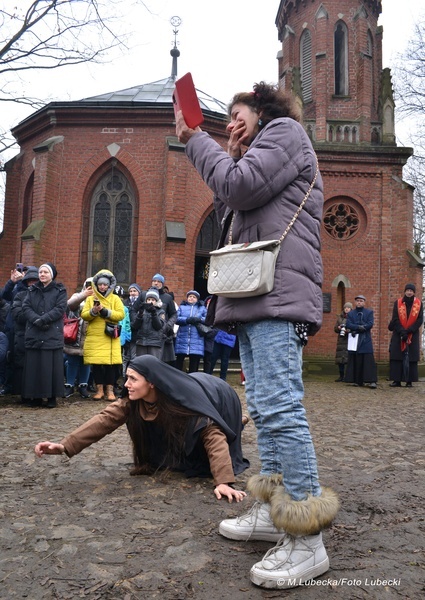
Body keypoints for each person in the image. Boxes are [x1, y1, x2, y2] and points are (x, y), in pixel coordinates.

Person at [176, 81, 339, 589]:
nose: (231, 122)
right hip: (257, 299)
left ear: (263, 109)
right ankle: (272, 512)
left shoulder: (286, 132)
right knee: (266, 411)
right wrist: (223, 150)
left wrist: (195, 139)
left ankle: (307, 536)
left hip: (277, 298)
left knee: (281, 408)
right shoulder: (260, 152)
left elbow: (240, 189)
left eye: (237, 111)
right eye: (225, 118)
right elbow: (240, 201)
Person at [34, 355, 249, 503]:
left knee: (219, 429)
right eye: (127, 377)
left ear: (152, 382)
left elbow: (212, 436)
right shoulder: (132, 400)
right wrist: (64, 445)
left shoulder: (183, 403)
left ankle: (238, 422)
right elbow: (104, 420)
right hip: (197, 392)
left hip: (219, 395)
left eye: (133, 379)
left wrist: (223, 482)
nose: (126, 384)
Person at [21, 263, 67, 408]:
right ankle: (35, 397)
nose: (42, 274)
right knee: (34, 367)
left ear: (51, 275)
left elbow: (60, 308)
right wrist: (36, 320)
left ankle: (51, 396)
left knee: (50, 368)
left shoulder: (60, 290)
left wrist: (44, 319)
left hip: (51, 332)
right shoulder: (32, 290)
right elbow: (26, 306)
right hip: (34, 332)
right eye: (40, 272)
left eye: (45, 272)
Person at [81, 270, 125, 401]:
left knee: (110, 365)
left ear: (109, 285)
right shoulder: (90, 298)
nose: (102, 287)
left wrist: (106, 312)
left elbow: (121, 315)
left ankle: (110, 391)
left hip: (110, 335)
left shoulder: (115, 298)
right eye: (100, 284)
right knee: (96, 364)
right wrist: (93, 311)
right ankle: (99, 390)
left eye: (105, 285)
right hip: (95, 335)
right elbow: (83, 315)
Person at [10, 266, 39, 401]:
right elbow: (18, 315)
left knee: (36, 366)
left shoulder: (41, 296)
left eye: (35, 281)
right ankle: (23, 394)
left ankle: (35, 393)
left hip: (38, 336)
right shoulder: (20, 296)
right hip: (22, 335)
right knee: (21, 365)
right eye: (30, 281)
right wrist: (34, 316)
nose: (32, 283)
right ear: (26, 282)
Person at [64, 278, 94, 399]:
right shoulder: (77, 296)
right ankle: (69, 385)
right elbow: (70, 305)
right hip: (75, 334)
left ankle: (83, 386)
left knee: (86, 362)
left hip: (89, 335)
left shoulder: (98, 299)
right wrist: (84, 295)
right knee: (72, 361)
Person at [388, 283, 423, 387]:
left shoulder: (419, 304)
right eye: (407, 290)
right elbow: (395, 319)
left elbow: (420, 320)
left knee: (411, 358)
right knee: (397, 357)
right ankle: (397, 380)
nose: (409, 292)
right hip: (399, 333)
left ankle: (409, 380)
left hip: (412, 334)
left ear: (414, 292)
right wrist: (402, 331)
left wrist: (409, 330)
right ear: (404, 291)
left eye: (411, 291)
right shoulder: (398, 303)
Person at [344, 295, 377, 389]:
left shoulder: (369, 312)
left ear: (364, 302)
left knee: (368, 360)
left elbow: (370, 323)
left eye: (361, 301)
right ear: (355, 302)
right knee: (356, 359)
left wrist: (364, 327)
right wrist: (358, 327)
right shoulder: (351, 313)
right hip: (355, 339)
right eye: (357, 301)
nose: (359, 302)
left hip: (365, 338)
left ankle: (371, 380)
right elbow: (349, 324)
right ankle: (358, 380)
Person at [175, 291, 207, 373]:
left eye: (194, 297)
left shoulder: (202, 308)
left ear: (197, 299)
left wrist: (199, 320)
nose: (191, 298)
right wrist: (186, 320)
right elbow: (176, 319)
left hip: (196, 339)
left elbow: (207, 319)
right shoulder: (181, 307)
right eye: (190, 296)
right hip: (182, 338)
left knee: (194, 364)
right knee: (179, 362)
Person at [131, 287, 165, 358]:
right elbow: (135, 326)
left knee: (153, 365)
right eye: (148, 299)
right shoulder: (142, 310)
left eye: (153, 300)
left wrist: (154, 314)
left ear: (156, 301)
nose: (150, 302)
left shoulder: (160, 312)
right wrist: (139, 315)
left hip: (154, 343)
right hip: (141, 342)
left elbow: (158, 326)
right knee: (141, 365)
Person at [123, 283, 142, 375]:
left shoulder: (141, 303)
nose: (132, 293)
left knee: (134, 356)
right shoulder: (125, 303)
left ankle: (132, 374)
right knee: (126, 356)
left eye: (135, 291)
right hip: (126, 332)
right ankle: (123, 375)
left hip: (136, 333)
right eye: (131, 291)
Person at [333, 302, 352, 382]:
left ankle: (348, 376)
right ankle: (341, 376)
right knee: (340, 360)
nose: (346, 309)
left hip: (349, 340)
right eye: (345, 307)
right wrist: (338, 328)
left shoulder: (352, 317)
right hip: (341, 340)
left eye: (348, 308)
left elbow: (353, 327)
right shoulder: (339, 318)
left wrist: (348, 330)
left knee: (348, 359)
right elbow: (335, 328)